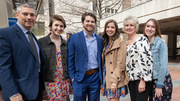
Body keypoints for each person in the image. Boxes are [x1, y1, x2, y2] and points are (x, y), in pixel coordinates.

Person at [0, 3, 46, 101]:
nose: (29, 17)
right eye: (25, 14)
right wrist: (13, 93)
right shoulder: (5, 34)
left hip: (36, 90)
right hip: (19, 93)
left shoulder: (32, 36)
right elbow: (3, 67)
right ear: (16, 15)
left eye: (32, 15)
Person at [68, 12, 103, 101]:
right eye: (87, 21)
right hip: (80, 78)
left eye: (92, 21)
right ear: (82, 23)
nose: (90, 23)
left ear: (95, 24)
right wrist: (72, 77)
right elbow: (70, 58)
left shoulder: (100, 40)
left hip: (95, 77)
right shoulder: (74, 38)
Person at [38, 15, 72, 101]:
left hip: (64, 80)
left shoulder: (66, 43)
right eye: (56, 25)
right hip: (50, 81)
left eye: (61, 26)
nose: (59, 28)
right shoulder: (42, 42)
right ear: (50, 27)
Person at [123, 16, 153, 101]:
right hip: (131, 79)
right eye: (127, 25)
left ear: (135, 27)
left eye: (131, 25)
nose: (128, 27)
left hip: (141, 79)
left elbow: (147, 61)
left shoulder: (142, 40)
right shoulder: (125, 42)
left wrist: (143, 80)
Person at [143, 18, 173, 101]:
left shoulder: (160, 43)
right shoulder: (143, 43)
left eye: (153, 27)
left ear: (156, 30)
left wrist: (159, 85)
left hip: (161, 81)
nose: (149, 29)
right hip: (150, 82)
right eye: (148, 26)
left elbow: (163, 66)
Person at [101, 19, 129, 101]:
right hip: (106, 76)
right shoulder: (105, 42)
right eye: (108, 27)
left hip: (115, 78)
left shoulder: (121, 42)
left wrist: (114, 82)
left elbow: (120, 64)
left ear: (116, 29)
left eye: (112, 27)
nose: (110, 29)